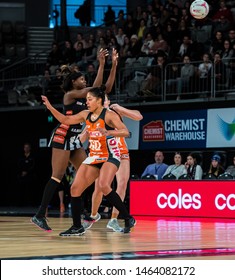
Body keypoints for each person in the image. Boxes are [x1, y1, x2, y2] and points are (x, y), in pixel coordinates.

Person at [31, 48, 118, 232]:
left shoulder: (87, 99)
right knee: (58, 175)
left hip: (75, 139)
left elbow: (101, 90)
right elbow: (94, 89)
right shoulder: (69, 95)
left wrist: (109, 65)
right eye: (81, 79)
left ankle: (82, 210)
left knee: (90, 172)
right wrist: (102, 64)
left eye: (84, 79)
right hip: (63, 136)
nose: (84, 80)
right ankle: (39, 215)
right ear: (73, 82)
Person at [41, 86, 136, 235]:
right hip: (94, 155)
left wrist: (108, 132)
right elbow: (65, 119)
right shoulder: (86, 114)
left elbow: (126, 132)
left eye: (90, 99)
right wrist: (50, 107)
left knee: (104, 185)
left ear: (99, 101)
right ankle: (77, 226)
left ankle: (127, 218)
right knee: (75, 189)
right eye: (86, 100)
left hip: (110, 155)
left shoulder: (109, 115)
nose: (87, 102)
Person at [82, 95, 143, 232]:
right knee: (100, 187)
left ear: (108, 102)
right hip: (103, 153)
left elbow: (139, 116)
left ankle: (114, 219)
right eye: (100, 100)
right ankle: (93, 215)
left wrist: (121, 108)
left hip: (120, 151)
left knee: (122, 183)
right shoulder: (93, 116)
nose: (103, 102)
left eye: (105, 100)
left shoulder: (114, 112)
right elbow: (84, 136)